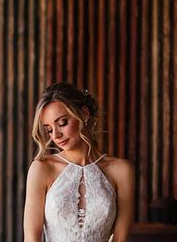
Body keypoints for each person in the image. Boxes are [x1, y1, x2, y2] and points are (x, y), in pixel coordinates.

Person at [23, 82, 134, 242]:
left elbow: (120, 239)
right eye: (49, 129)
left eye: (62, 123)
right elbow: (31, 238)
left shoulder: (122, 171)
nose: (56, 135)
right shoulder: (42, 168)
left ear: (84, 114)